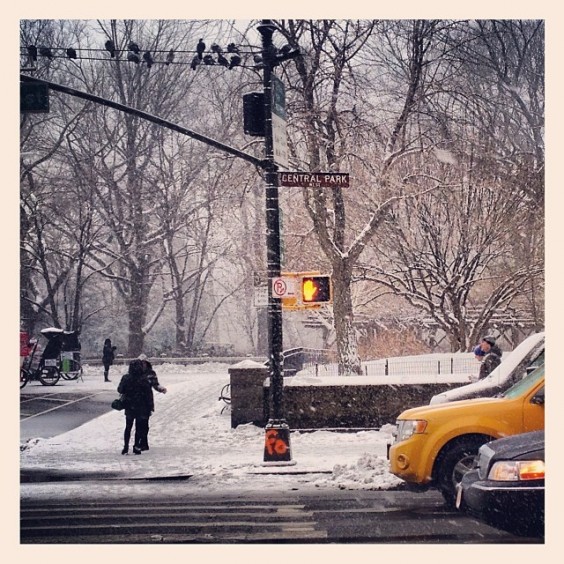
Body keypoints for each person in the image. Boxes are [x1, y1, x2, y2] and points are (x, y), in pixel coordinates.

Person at [117, 359, 154, 455]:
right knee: (139, 427)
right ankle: (136, 446)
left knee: (128, 426)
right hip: (141, 406)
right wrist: (150, 406)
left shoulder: (126, 378)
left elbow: (120, 390)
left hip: (129, 405)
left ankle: (126, 446)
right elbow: (148, 394)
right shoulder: (144, 379)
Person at [137, 354, 167, 451]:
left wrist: (160, 389)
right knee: (139, 423)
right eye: (141, 363)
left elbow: (155, 384)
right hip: (137, 400)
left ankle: (144, 442)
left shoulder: (151, 373)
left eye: (144, 363)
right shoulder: (136, 373)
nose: (143, 365)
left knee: (144, 422)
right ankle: (139, 442)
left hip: (146, 400)